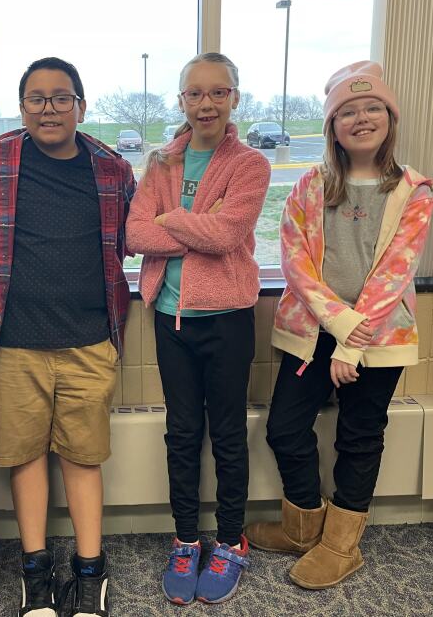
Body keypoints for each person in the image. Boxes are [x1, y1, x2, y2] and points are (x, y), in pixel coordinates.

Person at [244, 60, 433, 589]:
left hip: (380, 337)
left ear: (390, 119)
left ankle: (341, 544)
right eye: (347, 111)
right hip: (313, 332)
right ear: (332, 125)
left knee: (359, 435)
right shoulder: (311, 184)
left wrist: (354, 340)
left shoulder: (414, 191)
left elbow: (395, 271)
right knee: (284, 427)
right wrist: (340, 326)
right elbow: (295, 261)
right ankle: (304, 526)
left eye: (373, 107)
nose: (362, 118)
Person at [0, 56, 135, 617]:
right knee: (25, 457)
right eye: (36, 98)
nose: (48, 108)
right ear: (21, 108)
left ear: (81, 107)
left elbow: (129, 237)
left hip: (89, 339)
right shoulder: (2, 157)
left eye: (61, 97)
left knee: (84, 458)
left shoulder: (111, 169)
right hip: (13, 341)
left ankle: (91, 572)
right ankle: (35, 571)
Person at [126, 52, 271, 605]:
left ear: (235, 97)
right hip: (170, 318)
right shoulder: (161, 163)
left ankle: (232, 541)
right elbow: (136, 234)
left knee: (229, 436)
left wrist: (170, 221)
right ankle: (186, 538)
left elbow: (229, 235)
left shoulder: (250, 164)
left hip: (229, 318)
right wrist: (180, 227)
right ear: (181, 99)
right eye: (194, 93)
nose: (205, 103)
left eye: (218, 92)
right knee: (182, 433)